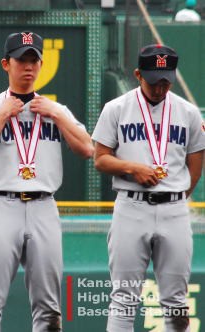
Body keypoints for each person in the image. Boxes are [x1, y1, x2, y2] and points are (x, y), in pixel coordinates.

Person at [0, 31, 93, 331]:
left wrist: (58, 115)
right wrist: (0, 118)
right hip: (0, 204)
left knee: (49, 307)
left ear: (41, 63)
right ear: (6, 64)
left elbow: (87, 149)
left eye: (34, 60)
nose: (28, 67)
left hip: (43, 206)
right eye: (22, 60)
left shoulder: (53, 110)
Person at [92, 44, 205, 332]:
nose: (160, 86)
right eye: (154, 79)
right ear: (138, 74)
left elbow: (195, 163)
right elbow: (101, 159)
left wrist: (175, 195)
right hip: (131, 207)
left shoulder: (188, 113)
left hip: (174, 210)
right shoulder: (116, 108)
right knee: (124, 299)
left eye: (166, 79)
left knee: (176, 301)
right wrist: (132, 168)